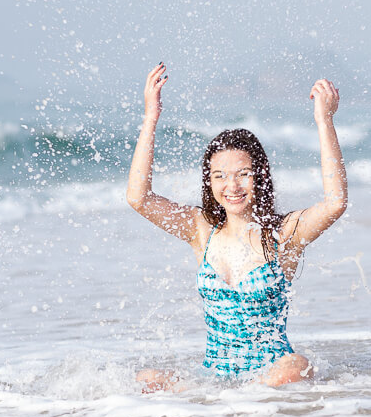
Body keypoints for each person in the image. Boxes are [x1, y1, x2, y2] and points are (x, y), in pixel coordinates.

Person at [126, 62, 348, 390]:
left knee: (296, 366)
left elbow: (335, 203)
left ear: (260, 177)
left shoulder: (283, 234)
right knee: (144, 379)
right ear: (210, 183)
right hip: (213, 378)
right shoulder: (201, 230)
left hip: (273, 375)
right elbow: (138, 198)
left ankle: (244, 398)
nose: (232, 185)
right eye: (220, 176)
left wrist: (324, 121)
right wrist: (150, 118)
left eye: (242, 173)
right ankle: (219, 398)